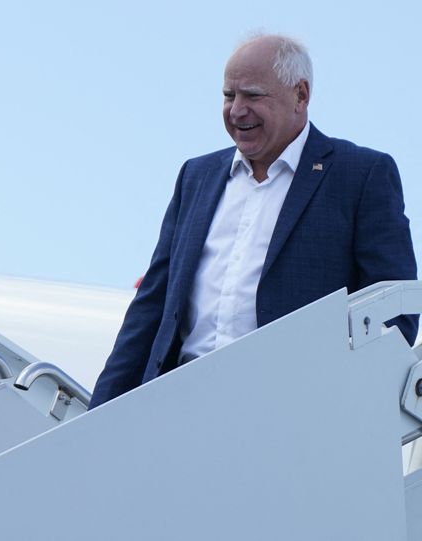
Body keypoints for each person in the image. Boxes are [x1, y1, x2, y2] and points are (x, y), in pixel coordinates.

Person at [90, 34, 418, 409]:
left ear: (301, 95)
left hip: (293, 414)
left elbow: (395, 312)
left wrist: (338, 405)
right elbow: (150, 309)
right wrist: (92, 420)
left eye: (253, 96)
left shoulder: (360, 175)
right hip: (179, 406)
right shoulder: (196, 176)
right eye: (229, 96)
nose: (237, 110)